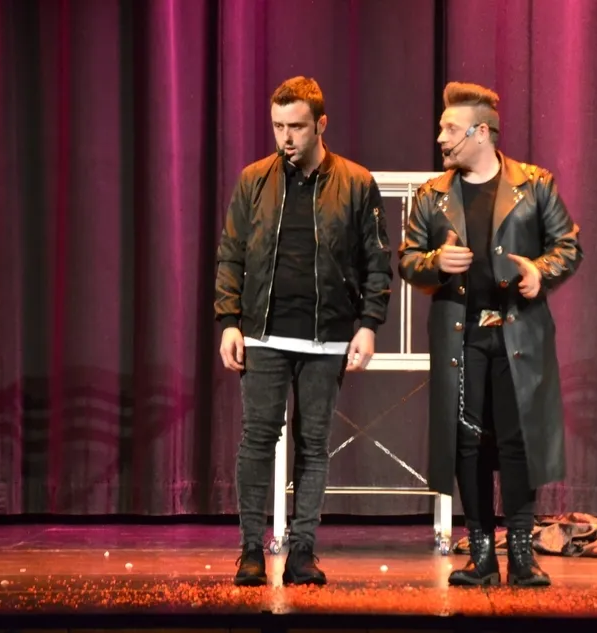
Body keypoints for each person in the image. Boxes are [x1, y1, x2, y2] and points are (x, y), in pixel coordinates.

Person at [398, 81, 583, 587]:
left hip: (518, 334)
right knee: (467, 440)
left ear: (481, 133)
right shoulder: (433, 196)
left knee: (518, 438)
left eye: (450, 129)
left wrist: (540, 271)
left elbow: (568, 245)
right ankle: (481, 551)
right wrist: (437, 262)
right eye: (442, 128)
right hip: (462, 338)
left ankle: (521, 551)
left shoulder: (534, 184)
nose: (440, 137)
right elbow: (409, 259)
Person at [215, 76, 392, 587]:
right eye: (278, 126)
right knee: (257, 440)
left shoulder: (355, 182)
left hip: (327, 336)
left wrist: (368, 325)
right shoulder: (255, 179)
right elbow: (231, 254)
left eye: (295, 126)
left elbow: (377, 260)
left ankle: (303, 552)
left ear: (320, 124)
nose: (286, 137)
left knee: (314, 444)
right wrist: (229, 322)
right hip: (263, 334)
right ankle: (251, 550)